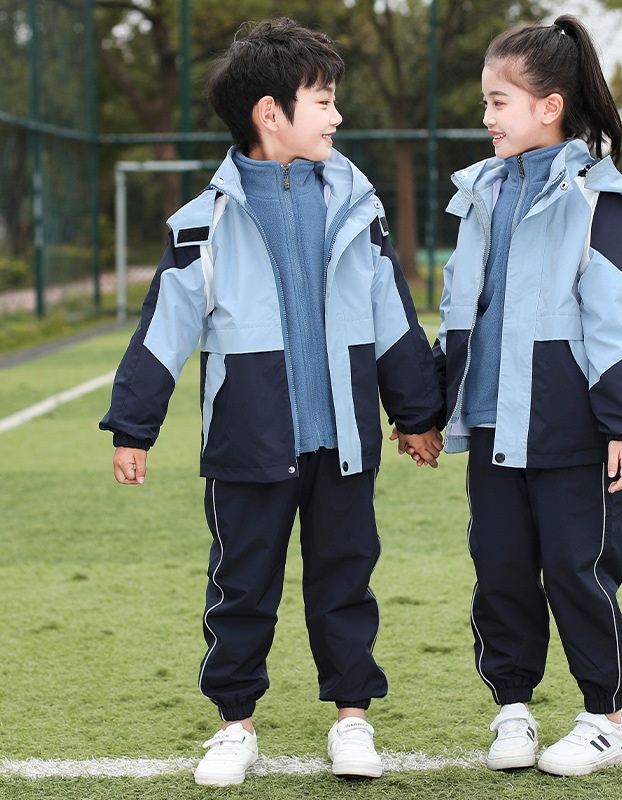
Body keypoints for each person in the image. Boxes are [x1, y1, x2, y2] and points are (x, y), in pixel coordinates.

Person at [99, 18, 443, 787]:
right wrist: (133, 425)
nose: (336, 116)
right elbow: (165, 329)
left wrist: (417, 413)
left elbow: (393, 315)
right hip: (248, 444)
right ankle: (234, 724)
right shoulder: (204, 224)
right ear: (269, 112)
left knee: (345, 581)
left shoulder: (357, 207)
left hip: (345, 443)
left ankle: (352, 718)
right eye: (322, 100)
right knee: (241, 586)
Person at [429, 14, 622, 778]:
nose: (486, 117)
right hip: (493, 422)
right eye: (486, 103)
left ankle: (605, 716)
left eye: (499, 101)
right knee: (499, 569)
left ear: (549, 105)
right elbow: (459, 313)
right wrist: (429, 407)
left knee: (576, 570)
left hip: (572, 428)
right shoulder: (479, 195)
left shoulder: (600, 197)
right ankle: (513, 709)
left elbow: (617, 321)